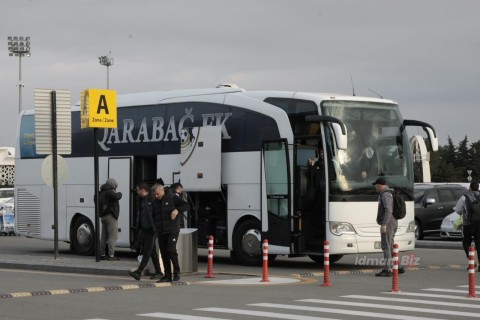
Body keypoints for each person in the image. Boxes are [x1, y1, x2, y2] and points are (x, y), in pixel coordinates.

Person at [153, 183, 189, 282]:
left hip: (172, 229)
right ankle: (167, 276)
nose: (156, 196)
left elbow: (186, 206)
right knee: (164, 253)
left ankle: (177, 271)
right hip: (161, 231)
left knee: (170, 249)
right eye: (155, 195)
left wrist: (177, 210)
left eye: (157, 194)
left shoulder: (172, 197)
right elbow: (153, 215)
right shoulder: (155, 201)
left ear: (162, 190)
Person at [129, 182, 163, 281]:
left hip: (152, 229)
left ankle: (138, 272)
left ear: (143, 190)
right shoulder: (141, 199)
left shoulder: (152, 199)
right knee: (152, 252)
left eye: (138, 190)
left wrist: (156, 226)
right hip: (145, 229)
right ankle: (159, 272)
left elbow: (156, 214)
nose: (137, 192)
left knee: (147, 251)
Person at [373, 177, 406, 277]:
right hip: (393, 222)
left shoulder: (385, 194)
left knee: (386, 246)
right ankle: (398, 267)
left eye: (376, 186)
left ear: (379, 185)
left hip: (388, 223)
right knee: (391, 245)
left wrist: (384, 224)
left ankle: (388, 269)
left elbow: (388, 210)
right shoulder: (390, 193)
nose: (375, 188)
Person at [454, 181, 480, 270]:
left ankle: (472, 262)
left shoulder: (464, 197)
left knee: (466, 243)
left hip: (468, 224)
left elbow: (457, 210)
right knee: (479, 243)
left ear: (470, 188)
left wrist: (464, 214)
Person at [98, 178, 122, 260]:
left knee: (104, 235)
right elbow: (116, 196)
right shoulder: (110, 191)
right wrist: (120, 194)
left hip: (103, 216)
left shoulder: (101, 192)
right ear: (112, 184)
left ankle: (102, 254)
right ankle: (111, 255)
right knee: (113, 236)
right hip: (110, 216)